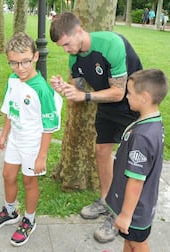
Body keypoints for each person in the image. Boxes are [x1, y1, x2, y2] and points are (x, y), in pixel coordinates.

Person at [49, 12, 142, 242]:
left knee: (127, 161)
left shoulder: (111, 44)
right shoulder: (74, 56)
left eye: (67, 44)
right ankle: (106, 200)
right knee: (101, 152)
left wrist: (85, 96)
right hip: (106, 105)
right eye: (61, 47)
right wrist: (66, 87)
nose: (65, 50)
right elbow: (77, 85)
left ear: (79, 32)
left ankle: (120, 214)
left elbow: (119, 92)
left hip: (133, 104)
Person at [0, 32, 62, 247]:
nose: (20, 68)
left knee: (29, 181)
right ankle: (10, 212)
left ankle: (29, 219)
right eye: (14, 63)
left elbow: (49, 127)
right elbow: (11, 110)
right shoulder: (12, 80)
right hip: (15, 139)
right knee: (8, 175)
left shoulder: (42, 91)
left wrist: (42, 156)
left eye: (25, 61)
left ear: (35, 57)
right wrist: (3, 134)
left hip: (33, 145)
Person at [95, 69, 169, 251]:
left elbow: (136, 180)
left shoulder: (142, 137)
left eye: (129, 92)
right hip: (139, 205)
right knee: (130, 242)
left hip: (136, 210)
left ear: (144, 97)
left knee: (138, 243)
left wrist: (126, 215)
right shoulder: (152, 123)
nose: (126, 96)